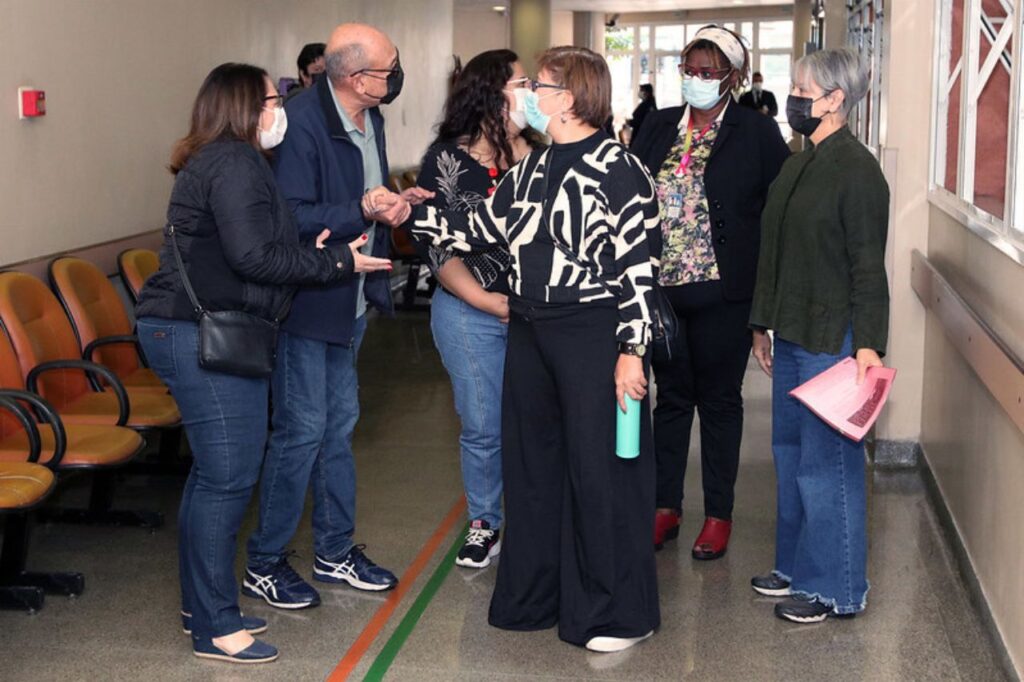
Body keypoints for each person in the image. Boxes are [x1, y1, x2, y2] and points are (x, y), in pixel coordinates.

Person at [382, 45, 662, 653]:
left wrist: (631, 352)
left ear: (567, 97)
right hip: (533, 330)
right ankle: (538, 595)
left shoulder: (619, 168)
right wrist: (408, 213)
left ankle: (617, 612)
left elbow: (640, 269)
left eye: (537, 84)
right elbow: (481, 227)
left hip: (594, 332)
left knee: (601, 470)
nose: (525, 93)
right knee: (533, 468)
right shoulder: (533, 168)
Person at [135, 63, 391, 664]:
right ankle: (216, 627)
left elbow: (252, 247)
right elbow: (253, 257)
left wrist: (317, 252)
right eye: (274, 100)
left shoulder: (232, 161)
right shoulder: (232, 163)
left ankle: (204, 606)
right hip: (201, 334)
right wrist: (334, 267)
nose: (281, 110)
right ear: (244, 108)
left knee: (213, 478)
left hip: (198, 329)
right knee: (228, 479)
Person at [243, 23, 429, 609]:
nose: (395, 78)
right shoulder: (300, 124)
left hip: (349, 301)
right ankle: (265, 562)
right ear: (353, 78)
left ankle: (334, 550)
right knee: (300, 433)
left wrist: (393, 204)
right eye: (387, 70)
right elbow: (290, 218)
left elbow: (367, 199)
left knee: (338, 431)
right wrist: (359, 208)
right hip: (306, 304)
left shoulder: (369, 118)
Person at [631, 25, 789, 561]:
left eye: (709, 72)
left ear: (734, 77)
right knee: (670, 399)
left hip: (726, 294)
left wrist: (765, 306)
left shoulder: (757, 132)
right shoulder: (655, 126)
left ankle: (718, 514)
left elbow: (777, 215)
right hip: (663, 292)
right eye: (690, 71)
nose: (697, 80)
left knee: (720, 402)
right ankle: (665, 506)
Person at [748, 47, 889, 624]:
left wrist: (869, 345)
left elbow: (868, 267)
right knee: (789, 454)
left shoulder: (857, 171)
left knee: (827, 463)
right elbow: (774, 249)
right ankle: (796, 565)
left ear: (836, 99)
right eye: (794, 86)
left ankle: (838, 587)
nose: (793, 98)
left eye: (804, 89)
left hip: (834, 336)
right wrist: (762, 323)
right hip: (794, 330)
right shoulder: (797, 162)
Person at [411, 49, 537, 569]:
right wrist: (487, 300)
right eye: (523, 83)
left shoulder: (544, 154)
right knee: (484, 424)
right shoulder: (445, 160)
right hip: (469, 309)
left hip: (539, 311)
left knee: (536, 420)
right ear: (491, 91)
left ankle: (535, 517)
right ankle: (485, 522)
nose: (532, 92)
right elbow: (437, 248)